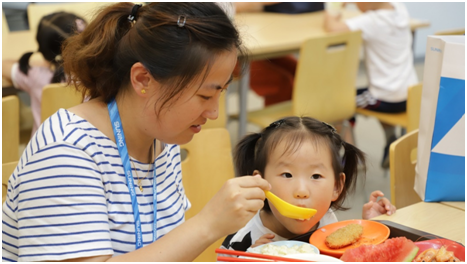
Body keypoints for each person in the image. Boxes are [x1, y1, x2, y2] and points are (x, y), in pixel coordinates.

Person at [2, 3, 271, 262]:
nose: (214, 112)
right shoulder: (66, 152)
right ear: (143, 79)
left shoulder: (160, 138)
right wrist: (208, 224)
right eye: (204, 95)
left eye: (220, 92)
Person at [221, 116, 396, 252]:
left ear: (336, 186)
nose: (302, 191)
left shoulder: (326, 220)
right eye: (287, 174)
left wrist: (368, 230)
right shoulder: (242, 241)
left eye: (316, 176)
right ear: (260, 183)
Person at [324, 2, 419, 168]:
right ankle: (390, 140)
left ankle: (352, 156)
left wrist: (332, 12)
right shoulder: (399, 9)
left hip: (384, 98)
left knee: (338, 102)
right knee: (363, 93)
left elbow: (332, 28)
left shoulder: (371, 21)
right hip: (409, 94)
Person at [2, 11, 87, 136]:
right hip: (85, 147)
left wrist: (40, 62)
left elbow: (3, 65)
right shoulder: (95, 75)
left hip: (41, 148)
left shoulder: (34, 75)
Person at [234, 2, 324, 106]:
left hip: (261, 44)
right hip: (233, 51)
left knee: (301, 73)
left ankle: (301, 118)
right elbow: (227, 6)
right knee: (283, 83)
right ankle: (283, 121)